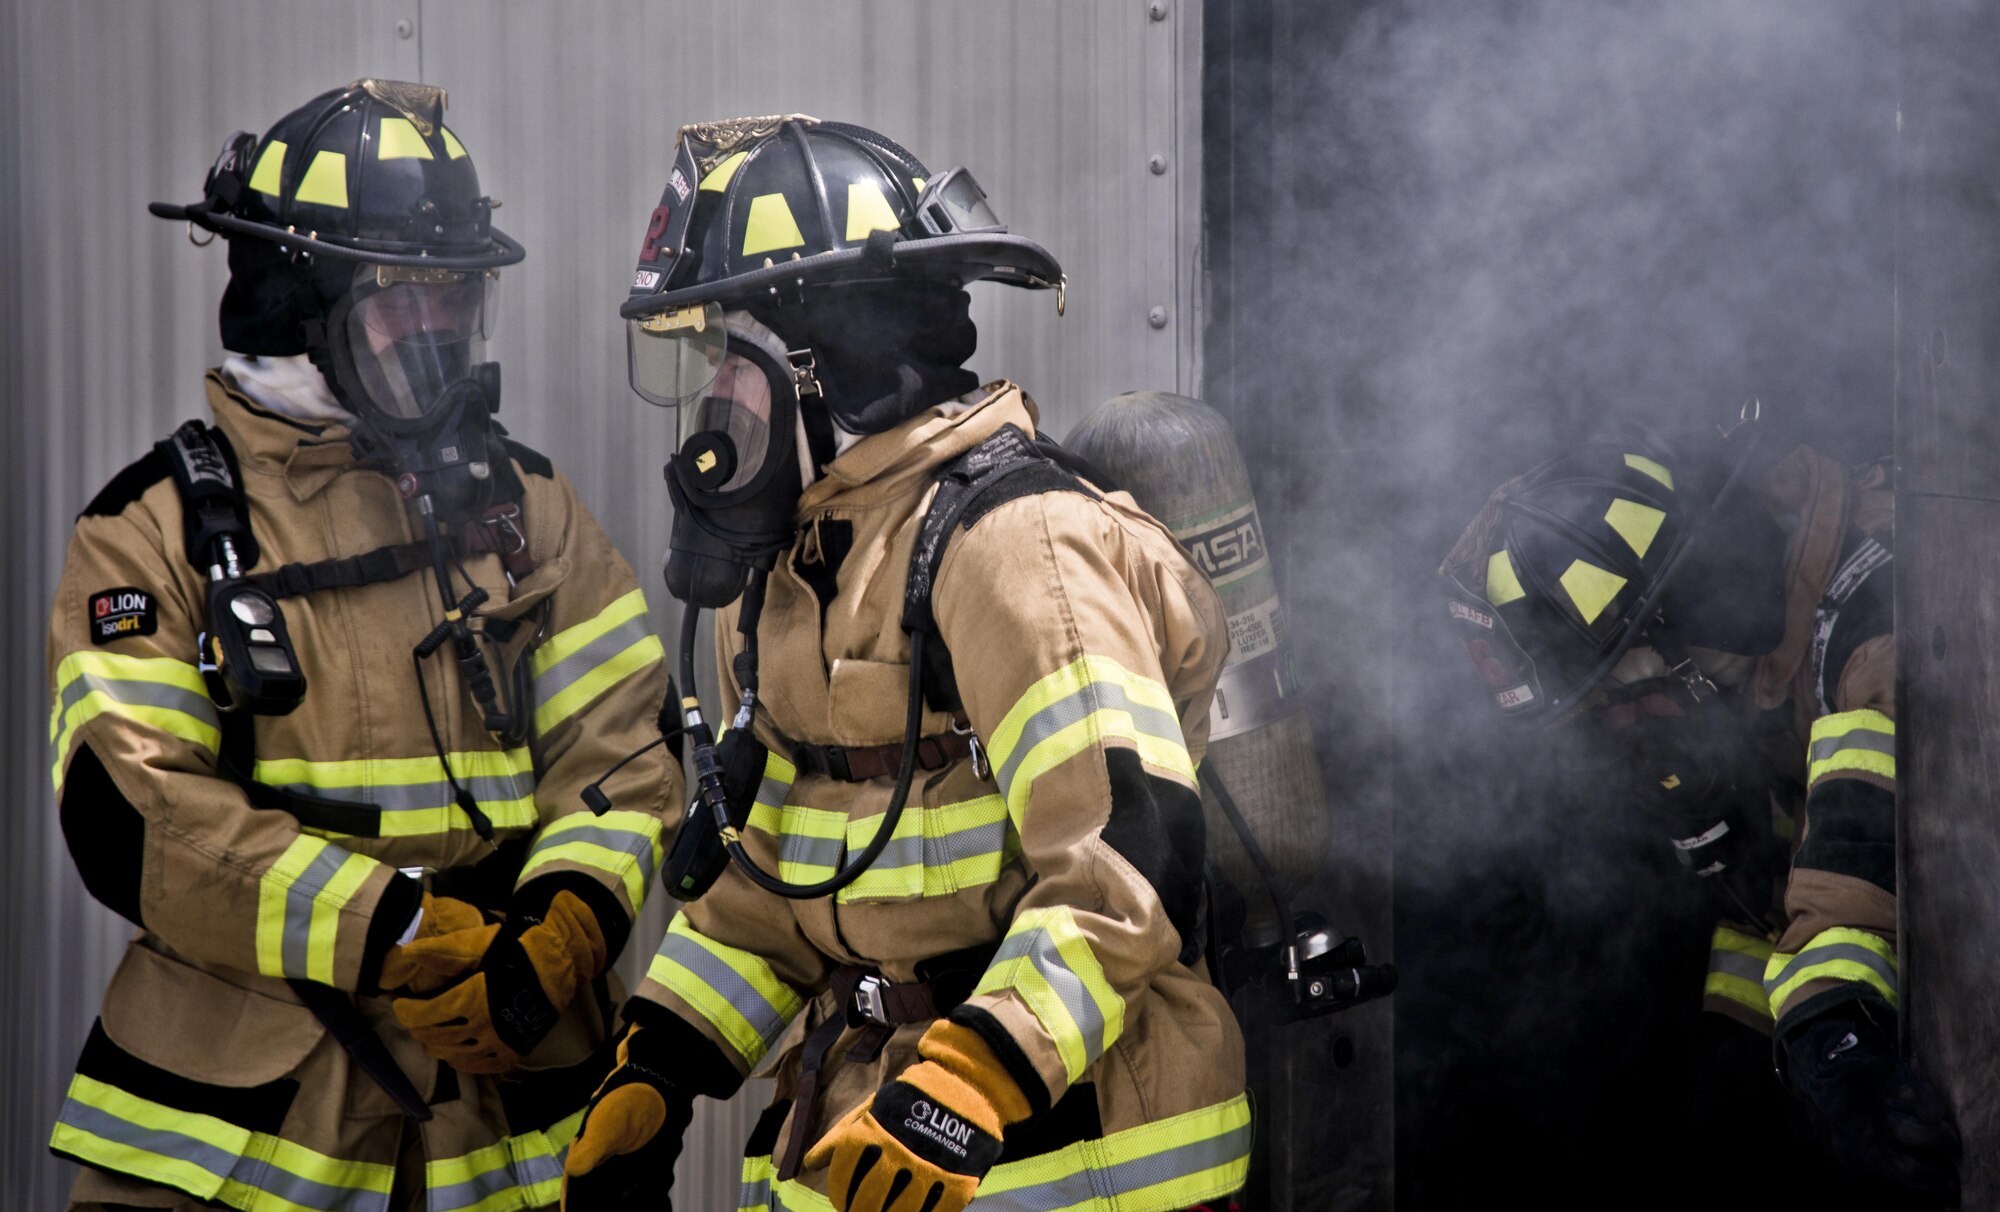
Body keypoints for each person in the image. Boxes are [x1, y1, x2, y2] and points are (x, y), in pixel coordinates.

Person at [559, 115, 1251, 1212]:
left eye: (725, 365)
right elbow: (776, 879)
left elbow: (1126, 857)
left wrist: (976, 1074)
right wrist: (662, 1063)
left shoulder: (1017, 547)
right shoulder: (799, 566)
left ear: (824, 359)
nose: (712, 417)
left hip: (1067, 1156)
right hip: (870, 1117)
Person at [46, 79, 678, 1211]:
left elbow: (625, 765)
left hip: (506, 1100)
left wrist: (563, 930)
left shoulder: (526, 507)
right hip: (236, 1130)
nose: (438, 334)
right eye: (402, 300)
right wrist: (388, 927)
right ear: (297, 299)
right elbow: (129, 815)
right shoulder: (151, 529)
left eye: (456, 301)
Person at [1438, 415, 1961, 1204]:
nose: (1621, 722)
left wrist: (1835, 1043)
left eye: (1619, 690)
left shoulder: (1872, 622)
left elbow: (1857, 856)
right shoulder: (1758, 653)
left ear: (1677, 624)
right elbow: (1772, 896)